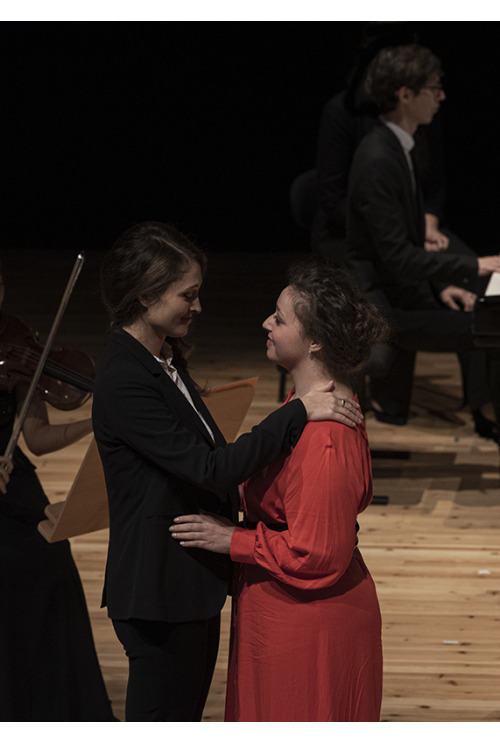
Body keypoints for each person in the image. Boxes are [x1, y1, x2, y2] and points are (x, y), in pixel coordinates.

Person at [91, 221, 363, 723]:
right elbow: (210, 467)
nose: (198, 307)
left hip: (190, 583)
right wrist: (297, 410)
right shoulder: (126, 376)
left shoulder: (162, 360)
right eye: (187, 295)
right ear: (147, 295)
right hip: (159, 590)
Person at [171, 259, 388, 722]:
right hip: (286, 607)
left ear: (315, 341)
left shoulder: (325, 435)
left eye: (280, 318)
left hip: (309, 623)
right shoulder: (306, 409)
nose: (265, 322)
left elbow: (317, 553)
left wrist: (230, 539)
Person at [346, 43, 500, 436]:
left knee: (488, 314)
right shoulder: (379, 158)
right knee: (491, 322)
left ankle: (489, 414)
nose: (442, 96)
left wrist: (442, 283)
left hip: (403, 289)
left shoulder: (401, 147)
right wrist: (473, 266)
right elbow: (396, 257)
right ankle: (490, 417)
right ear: (406, 94)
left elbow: (407, 245)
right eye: (434, 88)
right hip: (384, 304)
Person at [0, 265, 115, 721]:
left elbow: (37, 437)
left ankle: (51, 711)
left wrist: (95, 420)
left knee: (51, 556)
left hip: (11, 473)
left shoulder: (16, 342)